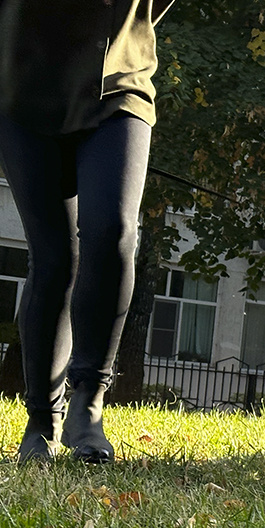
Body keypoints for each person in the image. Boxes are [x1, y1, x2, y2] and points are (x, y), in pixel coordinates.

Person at [0, 0, 174, 462]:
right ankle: (41, 418)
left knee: (112, 230)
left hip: (119, 83)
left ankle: (89, 404)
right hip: (22, 89)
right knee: (53, 257)